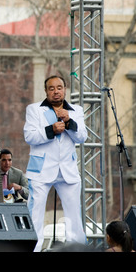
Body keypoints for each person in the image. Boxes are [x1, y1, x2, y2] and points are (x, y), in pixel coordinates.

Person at [23, 75, 88, 252]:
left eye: (59, 87)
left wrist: (68, 122)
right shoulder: (34, 109)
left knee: (74, 215)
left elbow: (82, 137)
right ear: (46, 91)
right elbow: (29, 137)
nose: (56, 91)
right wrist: (50, 129)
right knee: (35, 214)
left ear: (65, 89)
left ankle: (78, 249)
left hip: (68, 169)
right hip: (41, 169)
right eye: (51, 88)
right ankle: (31, 249)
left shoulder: (76, 110)